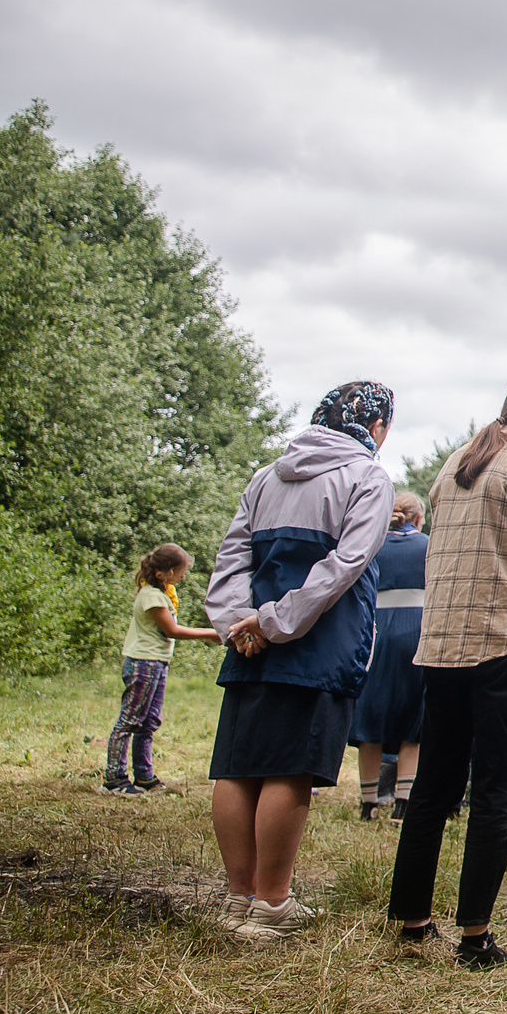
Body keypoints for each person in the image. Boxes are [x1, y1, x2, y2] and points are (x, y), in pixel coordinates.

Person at [388, 373, 507, 969]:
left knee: (433, 786)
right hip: (505, 640)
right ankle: (476, 937)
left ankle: (412, 921)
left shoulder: (455, 464)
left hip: (442, 642)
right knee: (493, 791)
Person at [207, 382, 398, 940]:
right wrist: (276, 622)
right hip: (318, 640)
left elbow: (232, 554)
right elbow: (347, 563)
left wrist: (240, 622)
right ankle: (272, 904)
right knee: (290, 767)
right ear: (377, 426)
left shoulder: (267, 475)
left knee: (239, 766)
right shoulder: (368, 476)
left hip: (250, 639)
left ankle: (238, 898)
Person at [104, 543, 221, 796]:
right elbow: (172, 631)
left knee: (149, 721)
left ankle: (144, 776)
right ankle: (114, 778)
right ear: (164, 572)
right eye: (180, 571)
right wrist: (211, 634)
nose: (183, 576)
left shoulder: (164, 594)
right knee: (130, 720)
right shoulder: (151, 597)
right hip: (142, 663)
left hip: (156, 663)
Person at [350, 493, 430, 822]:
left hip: (375, 632)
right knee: (415, 719)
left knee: (371, 716)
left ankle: (369, 803)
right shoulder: (430, 546)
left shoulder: (371, 546)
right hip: (418, 630)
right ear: (419, 519)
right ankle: (404, 803)